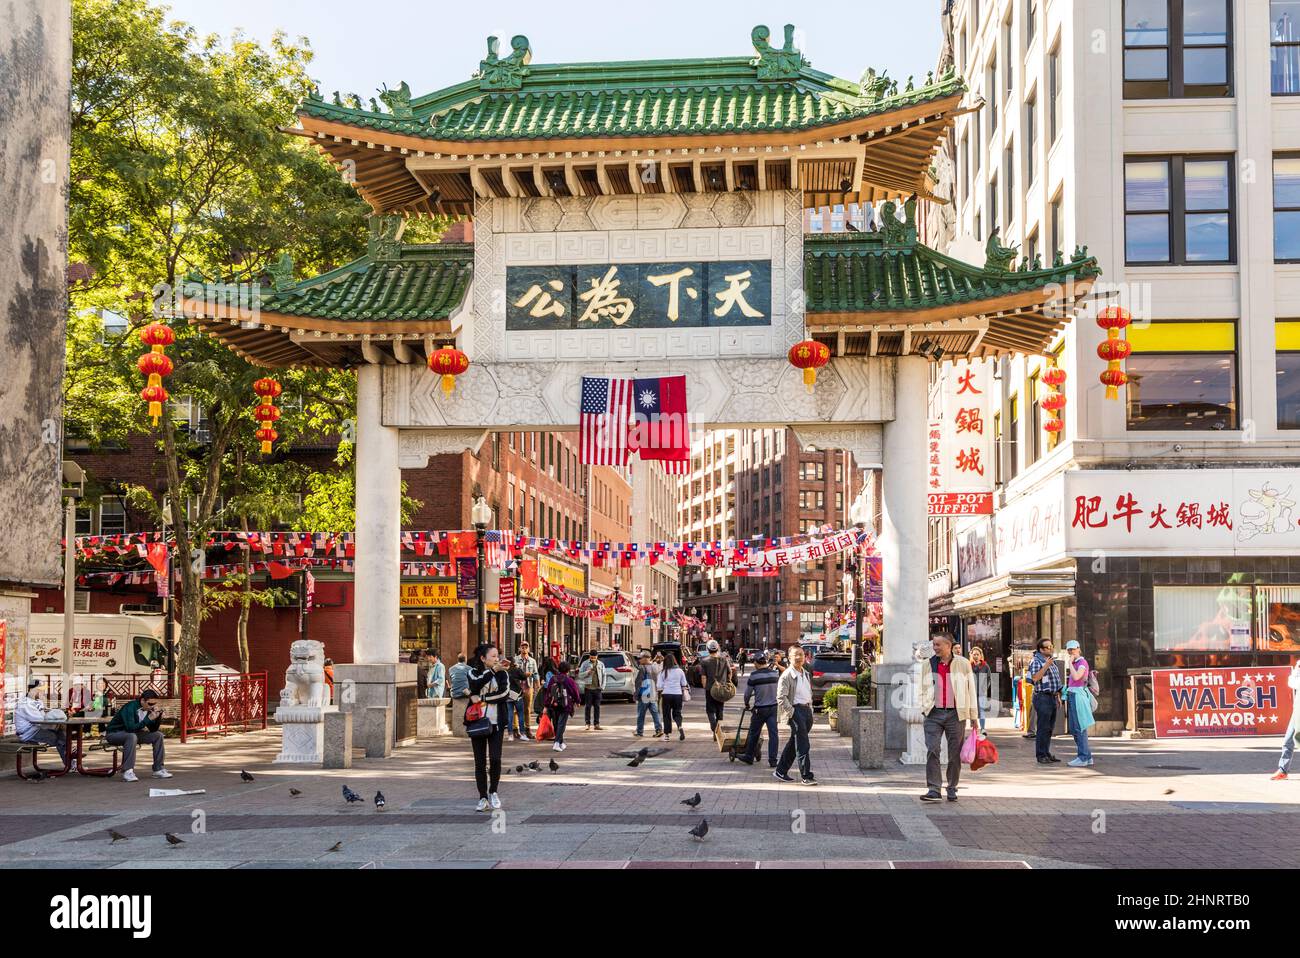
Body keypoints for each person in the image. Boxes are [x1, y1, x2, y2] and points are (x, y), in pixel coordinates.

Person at [919, 632, 979, 803]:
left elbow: (971, 690)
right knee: (932, 749)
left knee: (954, 753)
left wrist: (974, 716)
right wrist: (924, 706)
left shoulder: (963, 663)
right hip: (933, 713)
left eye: (938, 645)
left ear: (948, 646)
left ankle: (952, 787)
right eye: (934, 644)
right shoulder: (928, 664)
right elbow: (922, 687)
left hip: (955, 714)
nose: (935, 648)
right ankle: (933, 789)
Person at [466, 643, 511, 811]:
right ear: (483, 658)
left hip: (496, 722)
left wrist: (482, 697)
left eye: (497, 655)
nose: (497, 659)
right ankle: (482, 797)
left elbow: (503, 694)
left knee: (495, 759)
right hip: (477, 722)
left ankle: (493, 792)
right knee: (479, 762)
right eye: (493, 656)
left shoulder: (503, 674)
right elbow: (475, 685)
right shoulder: (473, 672)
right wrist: (491, 671)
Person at [106, 688, 172, 782]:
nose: (151, 706)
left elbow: (153, 729)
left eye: (154, 704)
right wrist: (148, 719)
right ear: (142, 700)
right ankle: (127, 771)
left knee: (158, 735)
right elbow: (130, 728)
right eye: (150, 704)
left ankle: (158, 769)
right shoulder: (130, 707)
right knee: (131, 736)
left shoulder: (148, 709)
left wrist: (158, 717)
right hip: (114, 734)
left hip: (133, 734)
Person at [774, 646, 816, 785]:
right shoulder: (786, 675)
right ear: (789, 657)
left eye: (801, 654)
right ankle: (806, 776)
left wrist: (811, 709)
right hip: (795, 711)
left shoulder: (805, 673)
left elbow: (807, 692)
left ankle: (780, 770)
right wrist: (792, 712)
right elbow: (781, 697)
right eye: (796, 655)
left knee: (795, 742)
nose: (799, 657)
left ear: (805, 656)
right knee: (803, 743)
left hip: (806, 710)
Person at [737, 653, 780, 767]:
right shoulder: (775, 674)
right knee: (773, 734)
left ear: (756, 662)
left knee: (754, 733)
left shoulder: (754, 676)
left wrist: (746, 703)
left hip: (760, 709)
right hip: (774, 708)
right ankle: (773, 760)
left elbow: (747, 694)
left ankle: (749, 756)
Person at [15, 679, 69, 769]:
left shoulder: (37, 702)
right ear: (33, 690)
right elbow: (40, 720)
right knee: (59, 738)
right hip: (28, 733)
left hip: (36, 729)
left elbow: (44, 719)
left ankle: (71, 759)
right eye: (40, 689)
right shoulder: (24, 704)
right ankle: (71, 761)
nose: (43, 692)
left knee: (62, 732)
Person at [1027, 638, 1063, 764]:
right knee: (1043, 727)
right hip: (1042, 697)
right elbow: (1035, 678)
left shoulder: (1051, 661)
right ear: (1041, 650)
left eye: (1051, 646)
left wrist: (1058, 695)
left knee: (1049, 728)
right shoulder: (1036, 661)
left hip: (1052, 697)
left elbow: (1056, 680)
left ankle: (1046, 753)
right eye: (1048, 647)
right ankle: (1041, 755)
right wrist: (1046, 666)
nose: (1051, 648)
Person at [1063, 640, 1095, 768]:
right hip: (1072, 695)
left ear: (1078, 649)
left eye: (1073, 649)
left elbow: (1077, 677)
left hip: (1078, 696)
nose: (1071, 652)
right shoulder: (1076, 663)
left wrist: (1070, 663)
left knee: (1079, 727)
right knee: (1074, 728)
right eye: (1069, 650)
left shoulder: (1081, 663)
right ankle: (1087, 756)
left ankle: (1083, 757)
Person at [1271, 657, 1300, 780]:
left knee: (1295, 739)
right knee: (1288, 739)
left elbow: (1294, 683)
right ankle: (1283, 770)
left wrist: (1296, 672)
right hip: (1297, 710)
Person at [544, 660, 581, 751]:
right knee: (561, 724)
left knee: (557, 724)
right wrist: (578, 701)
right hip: (565, 705)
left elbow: (548, 692)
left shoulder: (553, 679)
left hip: (554, 704)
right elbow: (574, 692)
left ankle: (561, 743)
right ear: (568, 670)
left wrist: (546, 705)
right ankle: (556, 743)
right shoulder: (569, 680)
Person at [700, 638, 733, 733]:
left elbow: (703, 677)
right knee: (720, 709)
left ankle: (714, 728)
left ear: (707, 649)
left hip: (710, 689)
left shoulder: (704, 661)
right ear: (717, 648)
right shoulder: (724, 659)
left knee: (710, 710)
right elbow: (729, 673)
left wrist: (705, 687)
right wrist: (727, 682)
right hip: (722, 689)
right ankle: (718, 732)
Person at [657, 653, 689, 740]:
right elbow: (684, 683)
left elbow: (659, 685)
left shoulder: (663, 672)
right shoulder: (680, 671)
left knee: (666, 715)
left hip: (666, 695)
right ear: (674, 661)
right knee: (677, 713)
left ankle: (667, 735)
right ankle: (679, 726)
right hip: (677, 695)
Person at [633, 651, 663, 738]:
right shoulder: (655, 667)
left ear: (646, 658)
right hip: (653, 693)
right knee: (655, 713)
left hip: (644, 694)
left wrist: (635, 694)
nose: (639, 660)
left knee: (641, 714)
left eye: (641, 658)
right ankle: (659, 729)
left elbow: (638, 682)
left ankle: (639, 731)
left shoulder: (642, 668)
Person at [577, 649, 607, 730]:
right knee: (588, 706)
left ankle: (596, 724)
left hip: (597, 688)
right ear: (589, 656)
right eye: (591, 657)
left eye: (594, 657)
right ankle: (587, 723)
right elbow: (580, 675)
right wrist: (587, 672)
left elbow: (604, 675)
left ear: (597, 657)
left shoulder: (601, 664)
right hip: (588, 688)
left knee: (597, 706)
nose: (593, 659)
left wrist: (602, 686)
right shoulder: (585, 663)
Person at [969, 646, 993, 734]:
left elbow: (989, 678)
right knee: (972, 711)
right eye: (974, 654)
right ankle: (974, 729)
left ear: (980, 656)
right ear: (971, 655)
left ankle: (983, 728)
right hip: (971, 693)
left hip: (981, 692)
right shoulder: (968, 666)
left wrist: (985, 688)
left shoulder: (985, 666)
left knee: (982, 711)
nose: (975, 656)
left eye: (977, 654)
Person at [516, 643, 539, 728]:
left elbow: (536, 674)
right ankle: (516, 729)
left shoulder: (532, 661)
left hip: (528, 687)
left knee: (527, 708)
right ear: (520, 649)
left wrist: (537, 685)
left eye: (526, 647)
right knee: (516, 709)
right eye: (522, 647)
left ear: (528, 649)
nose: (524, 649)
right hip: (517, 687)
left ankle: (527, 728)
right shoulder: (515, 660)